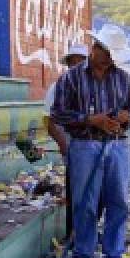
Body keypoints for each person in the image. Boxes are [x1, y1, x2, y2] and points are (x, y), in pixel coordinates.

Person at [50, 27, 130, 258]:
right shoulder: (71, 78)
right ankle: (84, 256)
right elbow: (58, 114)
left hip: (117, 144)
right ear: (96, 48)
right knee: (85, 202)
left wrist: (125, 118)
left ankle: (114, 255)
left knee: (118, 201)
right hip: (84, 145)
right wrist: (91, 120)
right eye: (108, 53)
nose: (111, 59)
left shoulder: (123, 78)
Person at [44, 42, 89, 235]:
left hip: (92, 145)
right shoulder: (58, 86)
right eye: (74, 61)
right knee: (76, 192)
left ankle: (86, 233)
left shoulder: (95, 85)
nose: (77, 65)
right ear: (69, 63)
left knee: (91, 194)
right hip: (72, 145)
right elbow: (49, 120)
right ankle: (73, 233)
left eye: (81, 61)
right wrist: (63, 144)